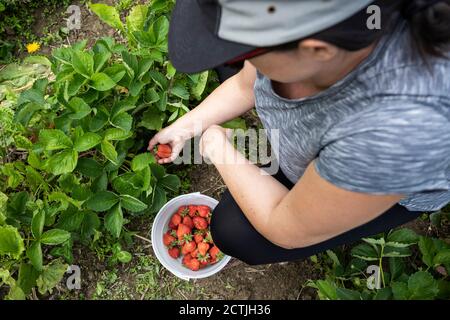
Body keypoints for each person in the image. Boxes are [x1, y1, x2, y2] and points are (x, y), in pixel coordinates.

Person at [148, 0, 450, 265]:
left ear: (317, 50)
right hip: (317, 136)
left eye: (251, 50)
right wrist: (188, 126)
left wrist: (217, 146)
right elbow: (244, 84)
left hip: (370, 182)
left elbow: (283, 226)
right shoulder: (307, 29)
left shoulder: (394, 134)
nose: (245, 59)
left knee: (233, 231)